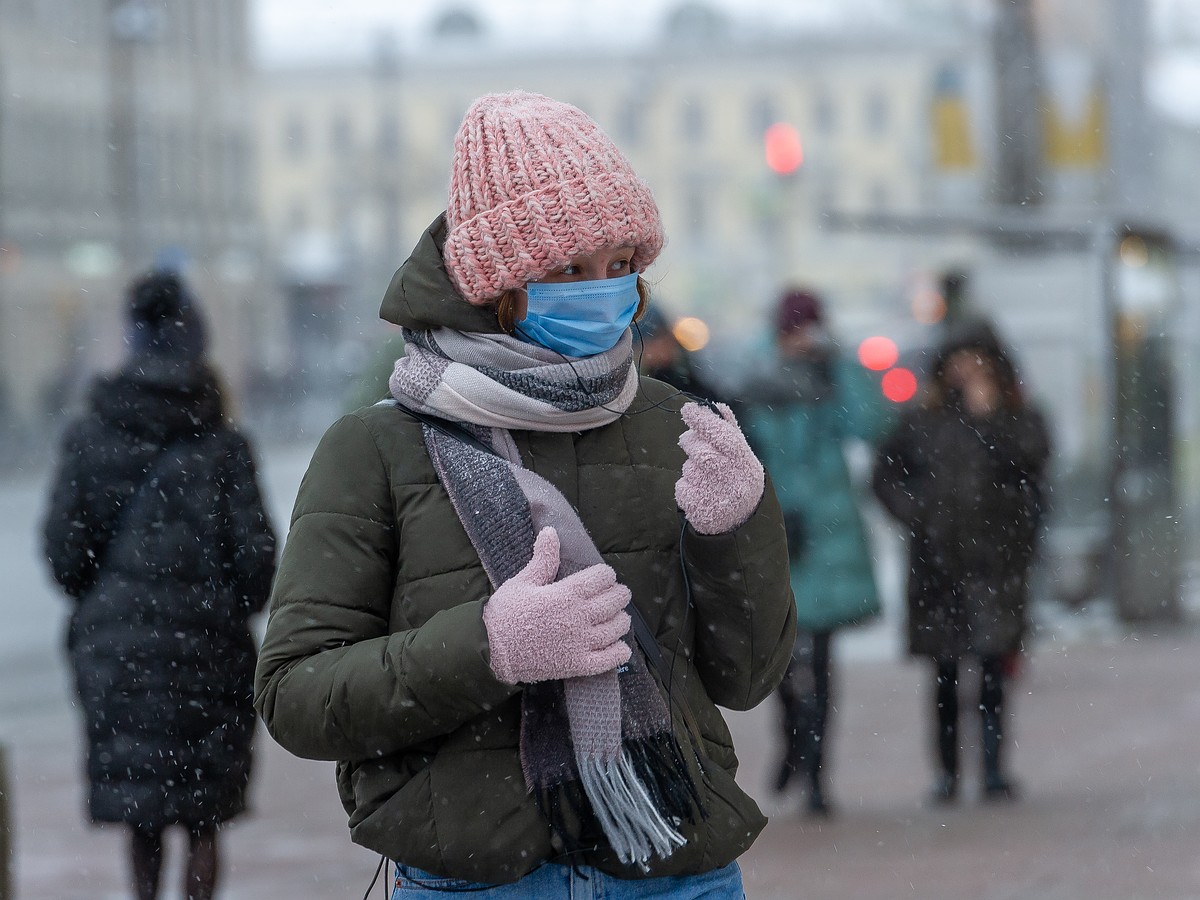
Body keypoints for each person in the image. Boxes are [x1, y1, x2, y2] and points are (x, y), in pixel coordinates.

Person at [253, 90, 796, 898]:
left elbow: (746, 678)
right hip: (481, 881)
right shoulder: (377, 448)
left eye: (620, 266)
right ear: (497, 283)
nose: (601, 291)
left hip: (673, 870)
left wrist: (736, 532)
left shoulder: (674, 426)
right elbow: (296, 695)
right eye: (569, 269)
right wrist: (489, 649)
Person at [42, 271, 277, 900]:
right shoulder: (224, 444)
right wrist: (214, 602)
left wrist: (116, 596)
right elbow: (257, 567)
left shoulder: (90, 436)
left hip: (118, 658)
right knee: (204, 820)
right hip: (210, 654)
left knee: (141, 816)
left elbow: (65, 558)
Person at [871, 317, 1051, 804]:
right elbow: (885, 476)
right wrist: (918, 514)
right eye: (959, 360)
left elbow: (1035, 464)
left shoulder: (1017, 416)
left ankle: (993, 770)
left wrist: (991, 418)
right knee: (945, 677)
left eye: (977, 359)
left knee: (993, 673)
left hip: (996, 564)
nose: (967, 370)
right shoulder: (923, 420)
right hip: (938, 565)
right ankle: (948, 773)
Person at [738, 288, 893, 816]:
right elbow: (744, 440)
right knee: (781, 656)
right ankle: (793, 742)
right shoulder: (755, 374)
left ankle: (818, 773)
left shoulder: (834, 374)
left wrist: (840, 367)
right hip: (776, 528)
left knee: (822, 659)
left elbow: (870, 425)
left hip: (827, 535)